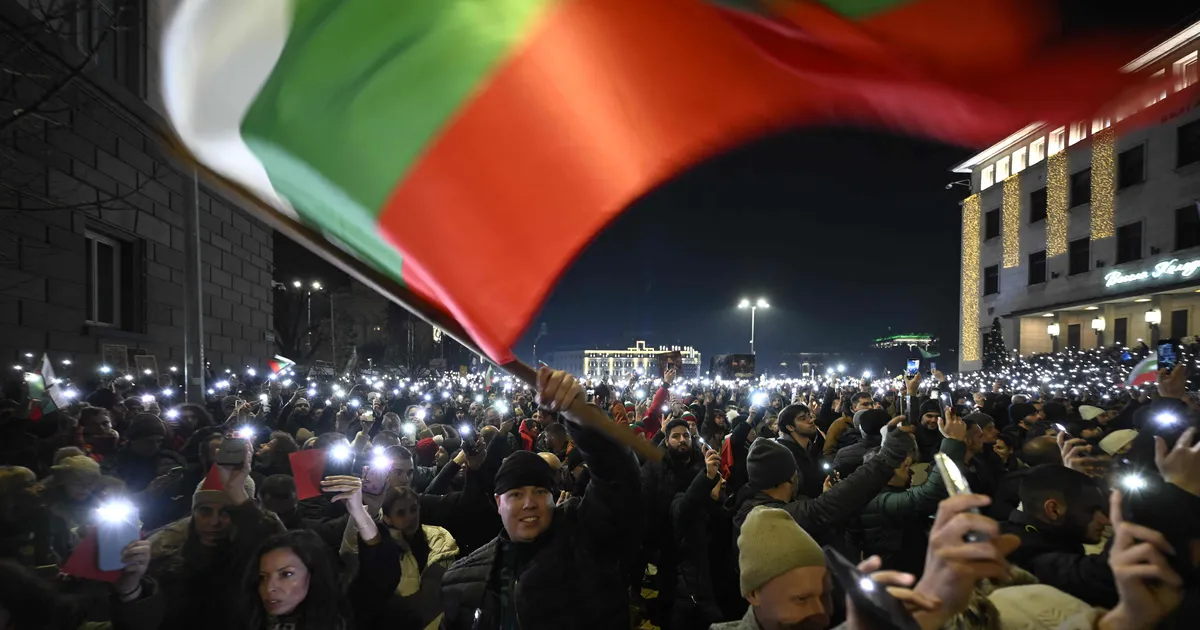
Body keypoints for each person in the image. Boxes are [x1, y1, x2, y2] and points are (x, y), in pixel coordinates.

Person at [439, 367, 640, 629]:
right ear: (499, 503)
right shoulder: (462, 580)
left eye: (540, 491)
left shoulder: (587, 538)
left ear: (554, 496)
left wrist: (581, 417)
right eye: (516, 494)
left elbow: (617, 481)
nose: (529, 502)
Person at [333, 477, 459, 630]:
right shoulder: (382, 548)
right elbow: (350, 555)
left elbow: (431, 601)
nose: (410, 517)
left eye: (414, 509)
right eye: (401, 513)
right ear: (388, 518)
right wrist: (363, 512)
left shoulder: (437, 537)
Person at [999, 465, 1116, 606]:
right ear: (1053, 510)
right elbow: (1103, 576)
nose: (1104, 520)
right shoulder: (1022, 552)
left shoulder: (1032, 533)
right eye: (1091, 510)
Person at [237, 529, 351, 630]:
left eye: (286, 574)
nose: (269, 588)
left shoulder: (338, 623)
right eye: (263, 577)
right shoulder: (251, 620)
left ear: (314, 574)